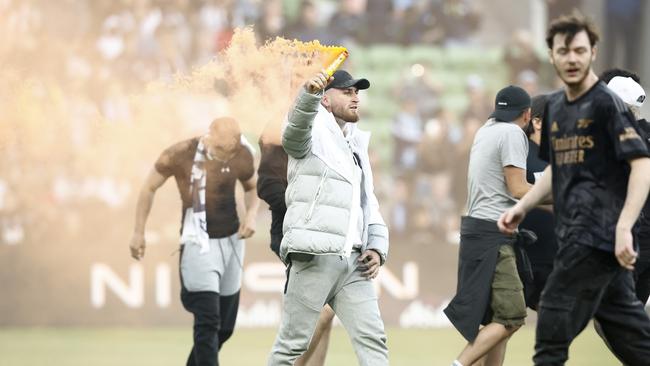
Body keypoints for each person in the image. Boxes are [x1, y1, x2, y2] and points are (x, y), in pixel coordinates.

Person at [498, 13, 650, 365]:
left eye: (580, 50)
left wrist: (625, 225)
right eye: (563, 50)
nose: (572, 58)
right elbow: (556, 172)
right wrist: (522, 206)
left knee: (551, 331)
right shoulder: (558, 111)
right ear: (552, 54)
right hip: (586, 242)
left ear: (593, 52)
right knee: (634, 342)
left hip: (597, 239)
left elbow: (641, 166)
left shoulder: (607, 106)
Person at [267, 69, 389, 366]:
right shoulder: (309, 129)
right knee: (291, 346)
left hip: (354, 261)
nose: (355, 97)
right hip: (315, 255)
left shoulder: (355, 142)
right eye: (347, 92)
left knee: (373, 341)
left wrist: (376, 244)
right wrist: (307, 95)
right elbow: (293, 137)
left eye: (357, 92)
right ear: (325, 99)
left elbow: (367, 200)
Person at [129, 117, 260, 366]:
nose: (223, 155)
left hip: (232, 242)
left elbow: (252, 187)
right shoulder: (179, 153)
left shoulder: (241, 152)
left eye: (228, 151)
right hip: (197, 241)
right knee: (208, 322)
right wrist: (138, 231)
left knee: (224, 329)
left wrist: (252, 215)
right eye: (219, 149)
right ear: (208, 135)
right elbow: (148, 187)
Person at [444, 85, 533, 366]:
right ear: (528, 115)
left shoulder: (486, 129)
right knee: (512, 316)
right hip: (493, 234)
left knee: (498, 321)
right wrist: (561, 194)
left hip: (476, 230)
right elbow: (518, 189)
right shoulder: (512, 133)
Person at [257, 124, 335, 366]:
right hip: (295, 236)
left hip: (325, 234)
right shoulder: (276, 137)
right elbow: (267, 186)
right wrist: (304, 208)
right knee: (319, 313)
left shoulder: (320, 132)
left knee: (326, 313)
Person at [519, 94, 558, 310]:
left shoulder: (561, 153)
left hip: (555, 252)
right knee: (507, 321)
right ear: (537, 121)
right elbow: (514, 192)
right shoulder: (520, 152)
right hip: (524, 253)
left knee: (557, 317)